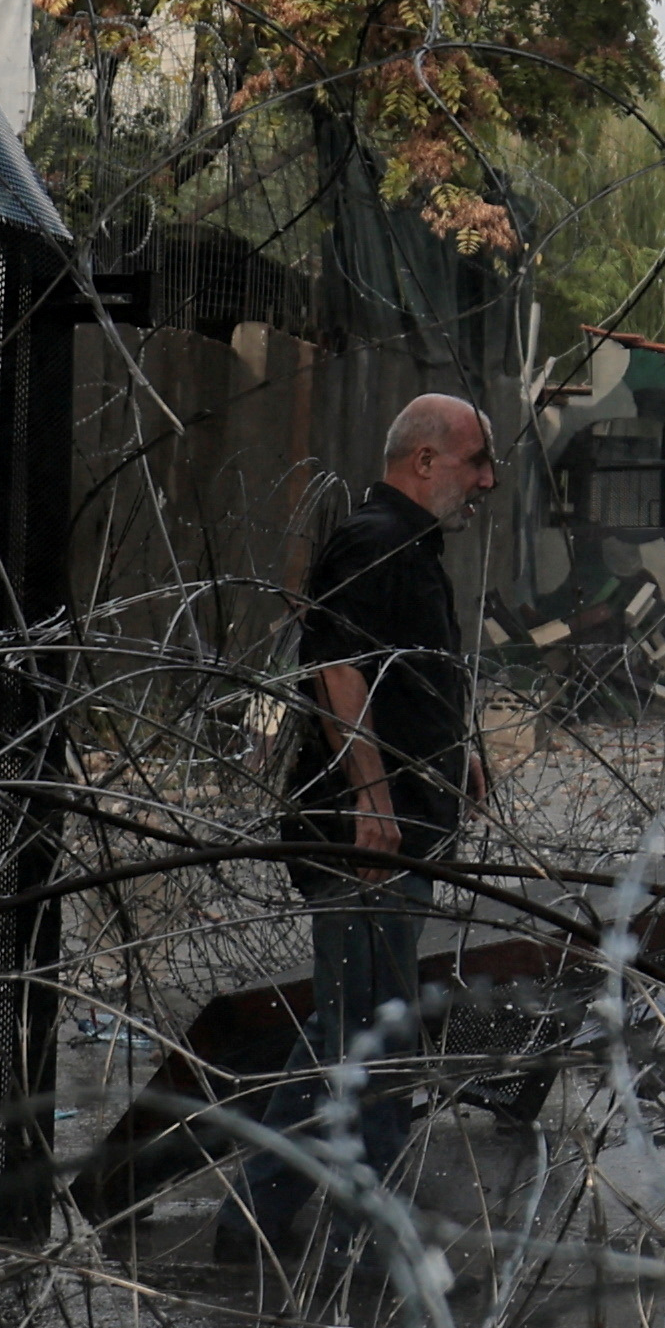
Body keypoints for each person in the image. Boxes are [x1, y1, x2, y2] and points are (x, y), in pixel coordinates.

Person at [272, 391, 502, 1231]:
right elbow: (338, 672)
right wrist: (371, 799)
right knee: (366, 1032)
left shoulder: (409, 546)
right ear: (425, 460)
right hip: (361, 835)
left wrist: (454, 751)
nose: (486, 479)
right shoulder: (373, 542)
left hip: (395, 824)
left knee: (356, 1021)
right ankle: (349, 1214)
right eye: (476, 461)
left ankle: (270, 1202)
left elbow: (404, 674)